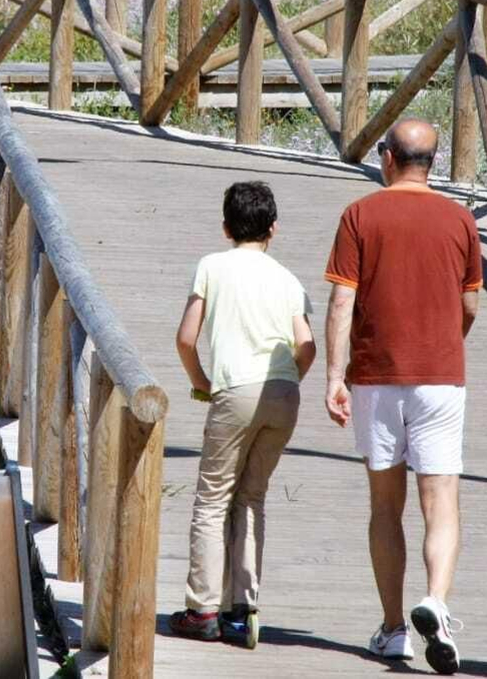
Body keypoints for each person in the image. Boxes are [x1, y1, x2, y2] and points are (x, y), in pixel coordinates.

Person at [323, 119, 481, 674]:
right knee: (441, 502)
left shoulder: (360, 214)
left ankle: (393, 629)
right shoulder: (460, 219)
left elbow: (342, 303)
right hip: (440, 375)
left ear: (388, 158)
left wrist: (334, 376)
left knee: (384, 505)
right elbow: (469, 306)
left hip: (376, 375)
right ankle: (435, 601)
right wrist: (443, 344)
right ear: (431, 162)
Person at [168, 181, 316, 642]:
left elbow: (187, 338)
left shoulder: (212, 267)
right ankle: (243, 607)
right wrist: (286, 381)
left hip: (235, 390)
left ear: (226, 227)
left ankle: (202, 609)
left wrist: (202, 384)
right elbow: (306, 346)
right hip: (284, 391)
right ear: (274, 228)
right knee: (251, 498)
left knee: (212, 500)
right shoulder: (288, 279)